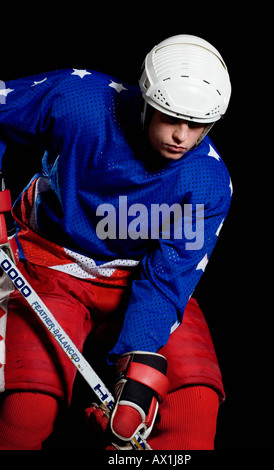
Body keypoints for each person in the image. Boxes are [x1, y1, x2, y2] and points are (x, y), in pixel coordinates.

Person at [0, 34, 232, 450]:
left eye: (196, 125)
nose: (181, 136)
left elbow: (167, 280)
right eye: (170, 117)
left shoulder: (207, 182)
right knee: (26, 408)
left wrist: (133, 364)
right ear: (146, 100)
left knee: (191, 405)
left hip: (138, 281)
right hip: (47, 262)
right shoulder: (80, 100)